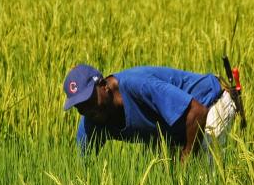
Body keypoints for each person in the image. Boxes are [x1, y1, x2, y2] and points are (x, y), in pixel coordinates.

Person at [62, 64, 239, 162]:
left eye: (90, 99)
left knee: (203, 181)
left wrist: (185, 161)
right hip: (175, 128)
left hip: (209, 104)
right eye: (80, 106)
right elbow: (81, 169)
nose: (87, 109)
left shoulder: (138, 85)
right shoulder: (91, 120)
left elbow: (197, 112)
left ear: (103, 86)